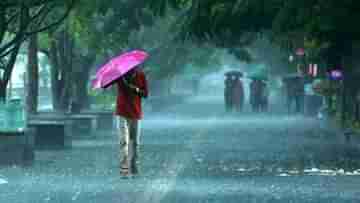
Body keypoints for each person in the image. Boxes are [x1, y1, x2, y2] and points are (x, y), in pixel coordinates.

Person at [115, 66, 148, 176]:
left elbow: (145, 94)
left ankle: (134, 167)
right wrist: (117, 77)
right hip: (121, 112)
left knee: (135, 143)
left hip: (135, 113)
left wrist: (135, 89)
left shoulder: (141, 75)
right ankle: (124, 170)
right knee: (123, 142)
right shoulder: (120, 77)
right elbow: (106, 85)